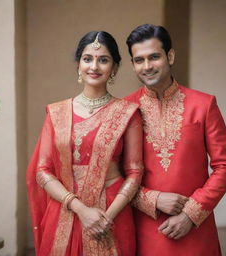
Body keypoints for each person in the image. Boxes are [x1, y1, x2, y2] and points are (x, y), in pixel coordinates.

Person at [27, 31, 143, 256]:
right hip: (64, 209)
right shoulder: (57, 112)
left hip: (110, 213)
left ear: (115, 68)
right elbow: (42, 171)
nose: (94, 66)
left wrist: (106, 217)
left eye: (103, 60)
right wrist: (79, 208)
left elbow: (135, 172)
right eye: (88, 58)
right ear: (78, 64)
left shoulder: (127, 113)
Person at [125, 24, 226, 256]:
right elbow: (112, 173)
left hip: (195, 229)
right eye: (139, 60)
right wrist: (152, 199)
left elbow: (225, 166)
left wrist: (190, 214)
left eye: (154, 57)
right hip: (145, 230)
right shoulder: (124, 111)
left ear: (170, 56)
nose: (147, 66)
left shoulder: (204, 105)